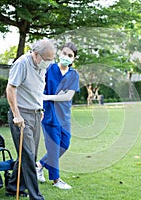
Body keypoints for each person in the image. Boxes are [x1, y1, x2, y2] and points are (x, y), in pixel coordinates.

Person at [5, 38, 56, 199]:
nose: (48, 63)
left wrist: (39, 108)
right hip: (22, 115)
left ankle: (13, 187)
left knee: (29, 154)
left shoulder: (41, 66)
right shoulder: (22, 63)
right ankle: (36, 196)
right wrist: (17, 115)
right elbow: (11, 88)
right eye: (47, 60)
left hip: (35, 113)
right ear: (36, 54)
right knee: (28, 156)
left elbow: (37, 89)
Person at [36, 42, 79, 190]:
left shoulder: (73, 75)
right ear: (60, 53)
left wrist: (48, 97)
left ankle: (40, 164)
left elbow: (68, 97)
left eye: (70, 56)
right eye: (65, 53)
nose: (66, 57)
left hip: (64, 117)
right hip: (49, 115)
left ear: (73, 59)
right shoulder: (49, 69)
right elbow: (39, 87)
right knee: (54, 148)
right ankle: (56, 180)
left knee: (64, 145)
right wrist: (41, 106)